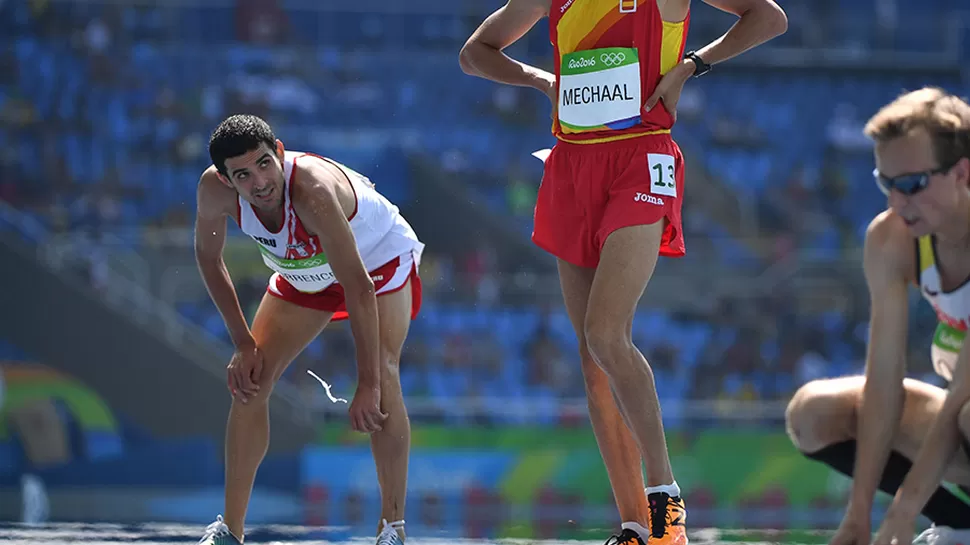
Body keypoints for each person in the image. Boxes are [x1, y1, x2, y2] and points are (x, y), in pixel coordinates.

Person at [459, 1, 786, 544]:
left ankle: (666, 499)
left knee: (606, 334)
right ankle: (636, 527)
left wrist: (690, 66)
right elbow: (474, 54)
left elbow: (769, 16)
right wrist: (542, 81)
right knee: (592, 363)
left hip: (640, 156)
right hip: (570, 164)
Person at [194, 114, 424, 545]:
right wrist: (243, 344)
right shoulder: (212, 191)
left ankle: (391, 528)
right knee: (250, 381)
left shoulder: (313, 191)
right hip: (305, 272)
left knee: (385, 378)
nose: (260, 182)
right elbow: (209, 260)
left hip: (375, 262)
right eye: (242, 175)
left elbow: (357, 286)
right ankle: (230, 531)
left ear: (279, 151)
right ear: (225, 181)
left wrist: (367, 384)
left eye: (265, 164)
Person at [785, 88, 970, 545]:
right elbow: (883, 382)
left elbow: (960, 400)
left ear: (962, 172)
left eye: (911, 185)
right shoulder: (892, 239)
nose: (896, 203)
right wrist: (860, 514)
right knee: (813, 413)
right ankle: (960, 524)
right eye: (886, 184)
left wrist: (902, 512)